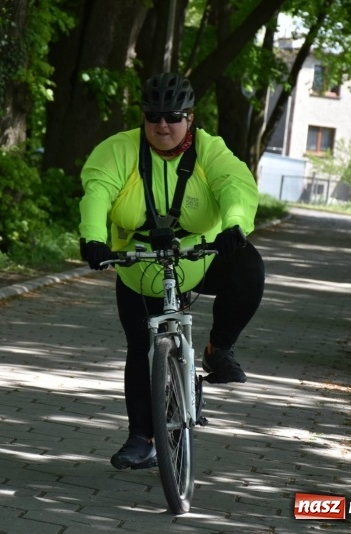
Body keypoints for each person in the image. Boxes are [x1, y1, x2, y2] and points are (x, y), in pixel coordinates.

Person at [78, 72, 265, 470]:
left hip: (199, 258)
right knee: (140, 349)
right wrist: (93, 239)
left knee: (249, 268)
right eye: (153, 117)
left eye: (173, 116)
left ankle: (219, 348)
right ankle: (142, 439)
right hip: (139, 267)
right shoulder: (119, 150)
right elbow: (97, 192)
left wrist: (234, 225)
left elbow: (236, 186)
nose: (162, 125)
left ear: (191, 117)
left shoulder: (210, 151)